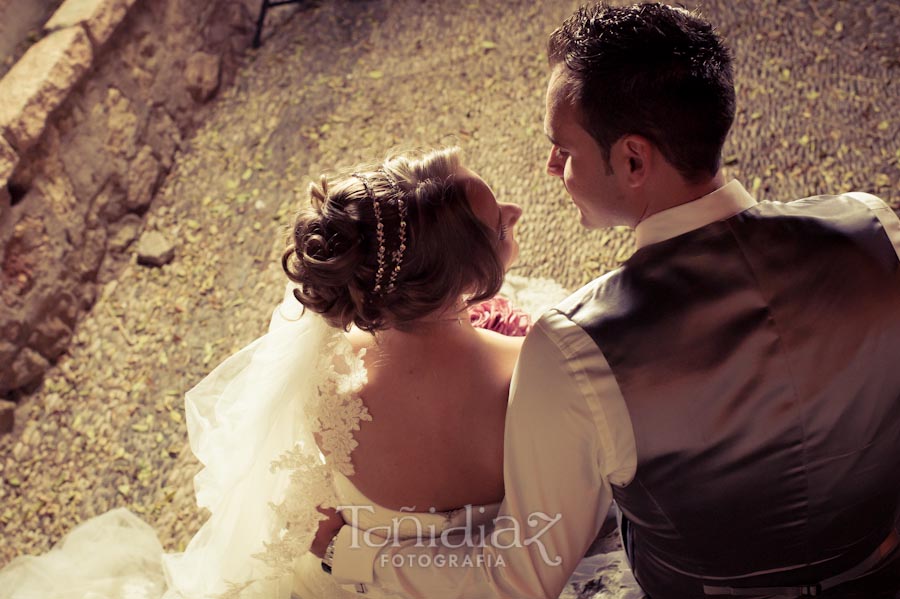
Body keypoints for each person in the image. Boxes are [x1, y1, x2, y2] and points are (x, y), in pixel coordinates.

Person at [316, 3, 900, 599]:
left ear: (633, 160)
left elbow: (517, 576)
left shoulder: (575, 346)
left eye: (563, 149)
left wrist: (354, 555)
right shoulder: (874, 227)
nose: (550, 167)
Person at [0, 147, 573, 599]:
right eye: (500, 223)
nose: (518, 213)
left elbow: (303, 515)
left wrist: (350, 551)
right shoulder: (537, 370)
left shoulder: (324, 375)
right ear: (460, 276)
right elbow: (534, 555)